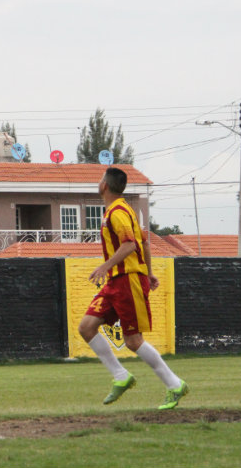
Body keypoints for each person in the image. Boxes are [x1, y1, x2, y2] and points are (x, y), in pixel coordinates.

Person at [78, 167, 188, 410]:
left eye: (99, 180)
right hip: (117, 282)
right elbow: (144, 243)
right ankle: (121, 376)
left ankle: (174, 384)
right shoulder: (124, 210)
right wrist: (148, 272)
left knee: (133, 340)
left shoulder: (117, 212)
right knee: (86, 327)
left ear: (104, 185)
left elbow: (129, 245)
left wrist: (106, 266)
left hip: (126, 281)